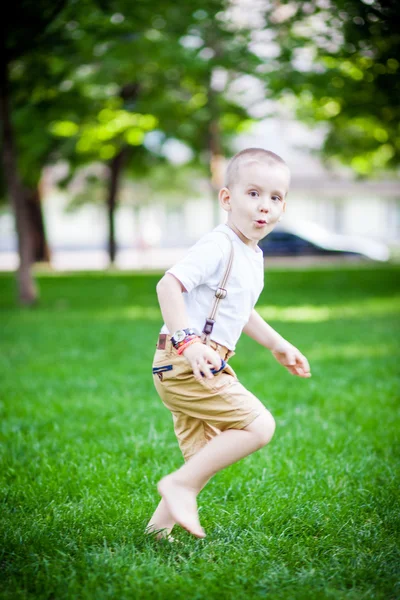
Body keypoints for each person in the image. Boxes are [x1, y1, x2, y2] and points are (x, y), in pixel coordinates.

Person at [146, 147, 311, 542]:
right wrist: (188, 343)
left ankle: (157, 532)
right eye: (253, 193)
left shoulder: (251, 254)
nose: (264, 206)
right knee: (259, 426)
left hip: (196, 363)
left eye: (275, 197)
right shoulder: (219, 244)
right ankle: (178, 486)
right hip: (186, 361)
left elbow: (241, 310)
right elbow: (168, 285)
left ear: (283, 206)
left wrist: (278, 344)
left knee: (201, 460)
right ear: (227, 198)